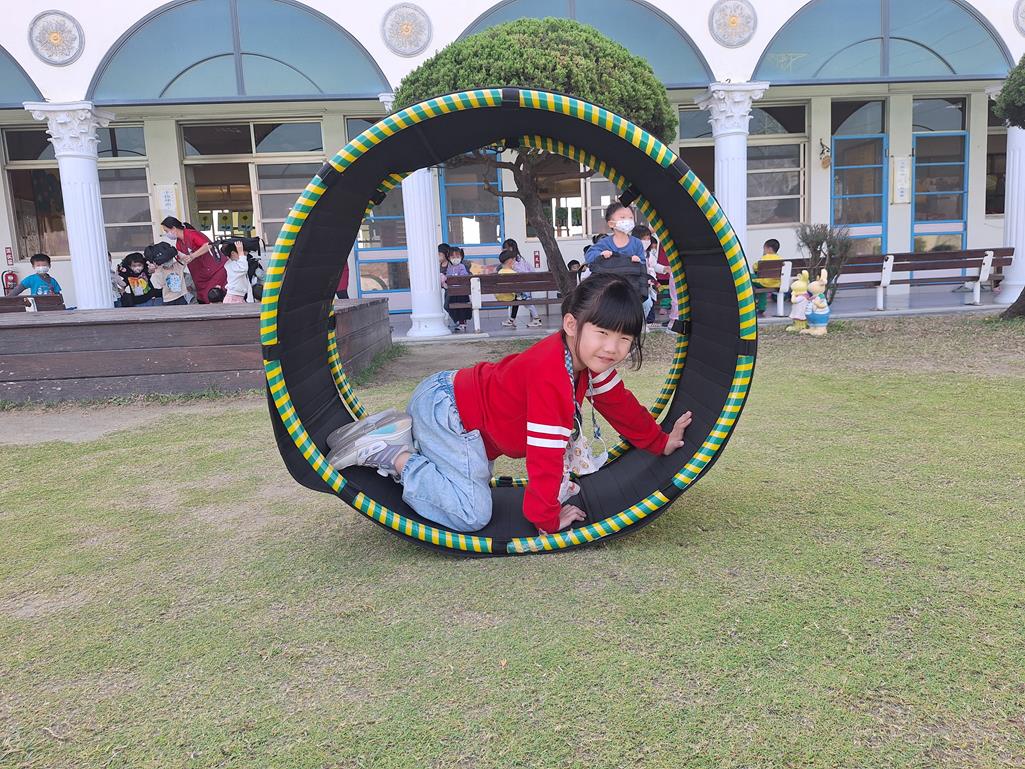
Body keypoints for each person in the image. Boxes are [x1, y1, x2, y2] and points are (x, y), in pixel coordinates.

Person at [328, 273, 694, 534]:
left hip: (457, 408)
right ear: (571, 324)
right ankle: (395, 454)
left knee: (473, 487)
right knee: (471, 513)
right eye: (602, 333)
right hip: (449, 414)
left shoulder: (585, 360)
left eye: (625, 339)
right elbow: (544, 456)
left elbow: (619, 404)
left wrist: (659, 442)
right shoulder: (552, 374)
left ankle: (405, 441)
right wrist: (546, 519)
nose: (612, 348)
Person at [584, 203, 648, 306]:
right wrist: (600, 254)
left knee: (646, 304)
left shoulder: (637, 243)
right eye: (623, 217)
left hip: (631, 289)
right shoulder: (605, 243)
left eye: (631, 218)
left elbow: (643, 263)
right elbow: (589, 256)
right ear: (611, 224)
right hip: (608, 290)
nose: (628, 220)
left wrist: (639, 260)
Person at [160, 216, 227, 304]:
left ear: (173, 228)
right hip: (200, 276)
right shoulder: (179, 243)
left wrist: (193, 256)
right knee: (203, 299)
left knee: (215, 297)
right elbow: (181, 260)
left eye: (166, 231)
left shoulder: (191, 234)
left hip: (215, 271)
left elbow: (208, 245)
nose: (167, 234)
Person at [502, 238, 542, 328]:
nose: (503, 250)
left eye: (505, 248)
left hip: (524, 285)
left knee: (527, 302)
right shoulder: (518, 258)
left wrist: (513, 267)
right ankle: (512, 319)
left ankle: (536, 319)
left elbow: (524, 272)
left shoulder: (515, 260)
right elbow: (531, 270)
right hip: (522, 284)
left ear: (510, 248)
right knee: (516, 300)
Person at [145, 241, 189, 306]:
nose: (168, 262)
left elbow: (186, 258)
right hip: (168, 300)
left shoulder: (178, 266)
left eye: (169, 259)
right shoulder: (159, 271)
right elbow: (158, 285)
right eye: (165, 261)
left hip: (181, 297)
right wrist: (156, 267)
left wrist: (176, 251)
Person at [441, 246, 472, 332]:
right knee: (449, 306)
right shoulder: (449, 267)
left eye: (457, 256)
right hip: (453, 292)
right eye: (453, 257)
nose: (455, 259)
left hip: (461, 292)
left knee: (461, 307)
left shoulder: (461, 266)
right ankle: (458, 321)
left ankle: (462, 323)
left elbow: (463, 276)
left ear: (461, 257)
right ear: (449, 258)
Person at [753, 238, 783, 316]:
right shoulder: (780, 259)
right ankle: (761, 307)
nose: (764, 251)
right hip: (776, 283)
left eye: (764, 249)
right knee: (759, 286)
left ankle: (755, 304)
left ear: (769, 249)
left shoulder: (764, 258)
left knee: (749, 277)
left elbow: (755, 267)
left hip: (764, 283)